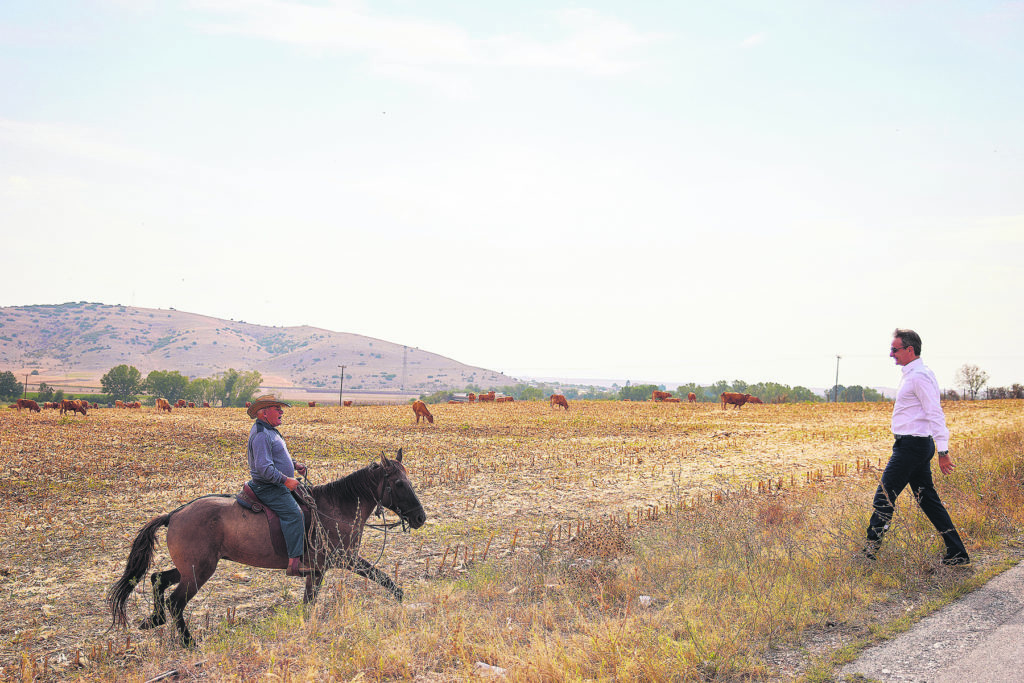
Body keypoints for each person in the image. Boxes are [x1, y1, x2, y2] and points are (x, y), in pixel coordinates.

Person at [864, 329, 970, 566]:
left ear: (909, 350)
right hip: (913, 445)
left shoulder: (919, 376)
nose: (891, 354)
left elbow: (935, 413)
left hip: (912, 447)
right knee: (927, 499)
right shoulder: (913, 373)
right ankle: (957, 552)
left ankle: (868, 555)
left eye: (895, 349)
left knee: (883, 497)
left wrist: (944, 451)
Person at [245, 394, 310, 576]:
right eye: (277, 408)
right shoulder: (261, 435)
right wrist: (286, 480)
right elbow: (264, 468)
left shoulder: (270, 431)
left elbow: (277, 456)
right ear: (264, 413)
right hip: (268, 487)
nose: (281, 411)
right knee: (294, 514)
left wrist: (294, 464)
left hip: (276, 484)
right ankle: (294, 564)